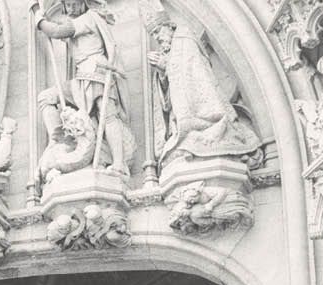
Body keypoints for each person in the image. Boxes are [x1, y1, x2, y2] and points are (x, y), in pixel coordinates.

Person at [32, 0, 135, 177]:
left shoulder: (89, 18)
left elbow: (57, 31)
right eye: (68, 5)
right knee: (46, 97)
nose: (72, 9)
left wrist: (39, 19)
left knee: (108, 115)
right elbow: (59, 28)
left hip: (96, 71)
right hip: (80, 78)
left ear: (84, 3)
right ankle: (59, 140)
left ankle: (119, 163)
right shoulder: (76, 21)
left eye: (75, 4)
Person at [145, 12, 261, 168]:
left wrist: (167, 65)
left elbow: (193, 77)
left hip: (202, 112)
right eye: (153, 34)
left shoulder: (185, 40)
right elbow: (170, 92)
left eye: (158, 31)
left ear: (169, 26)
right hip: (183, 119)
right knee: (174, 151)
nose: (156, 37)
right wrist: (162, 72)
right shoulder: (170, 49)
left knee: (194, 141)